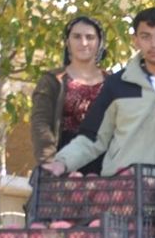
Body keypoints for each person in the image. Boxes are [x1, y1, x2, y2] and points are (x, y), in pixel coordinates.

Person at [43, 8, 155, 177]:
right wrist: (62, 162)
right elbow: (92, 138)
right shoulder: (117, 84)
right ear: (136, 41)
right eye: (146, 36)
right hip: (122, 188)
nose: (154, 44)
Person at [31, 16, 109, 174]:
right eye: (77, 37)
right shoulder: (52, 80)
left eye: (90, 37)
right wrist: (49, 162)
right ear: (67, 42)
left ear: (99, 43)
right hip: (60, 163)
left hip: (104, 167)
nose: (84, 42)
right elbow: (40, 123)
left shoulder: (113, 82)